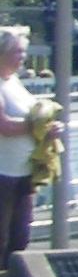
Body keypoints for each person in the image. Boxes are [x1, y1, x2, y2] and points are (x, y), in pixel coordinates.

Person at [0, 28, 39, 262]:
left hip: (23, 172)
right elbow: (3, 126)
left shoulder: (14, 82)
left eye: (23, 51)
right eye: (17, 51)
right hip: (2, 174)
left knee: (20, 238)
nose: (22, 56)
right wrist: (39, 126)